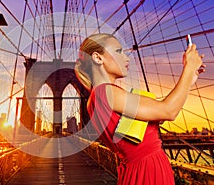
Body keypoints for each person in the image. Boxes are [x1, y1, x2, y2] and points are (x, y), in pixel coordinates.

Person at [74, 33, 205, 185]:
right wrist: (188, 68)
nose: (127, 58)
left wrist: (189, 80)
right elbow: (169, 111)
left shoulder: (99, 96)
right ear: (98, 58)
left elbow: (159, 114)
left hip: (143, 170)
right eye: (118, 51)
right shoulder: (106, 93)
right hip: (147, 172)